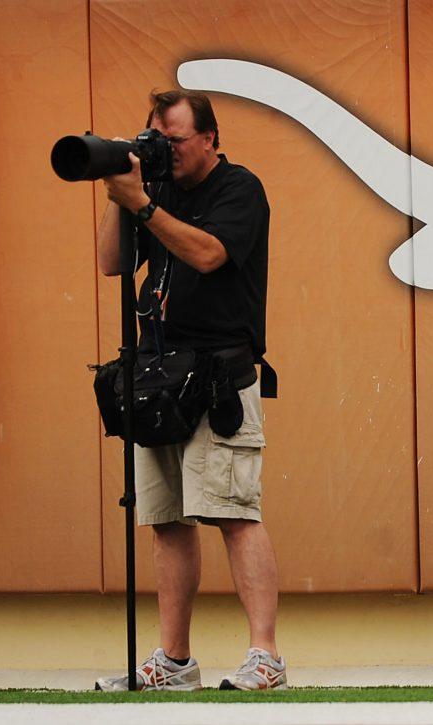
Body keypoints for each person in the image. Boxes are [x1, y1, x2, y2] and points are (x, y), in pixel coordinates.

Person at [93, 90, 284, 691]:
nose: (165, 151)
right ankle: (174, 660)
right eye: (156, 139)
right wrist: (119, 191)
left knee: (233, 512)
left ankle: (266, 657)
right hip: (161, 376)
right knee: (167, 519)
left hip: (222, 375)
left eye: (173, 141)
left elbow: (207, 254)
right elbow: (110, 264)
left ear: (208, 137)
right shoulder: (155, 190)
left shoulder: (240, 189)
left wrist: (144, 207)